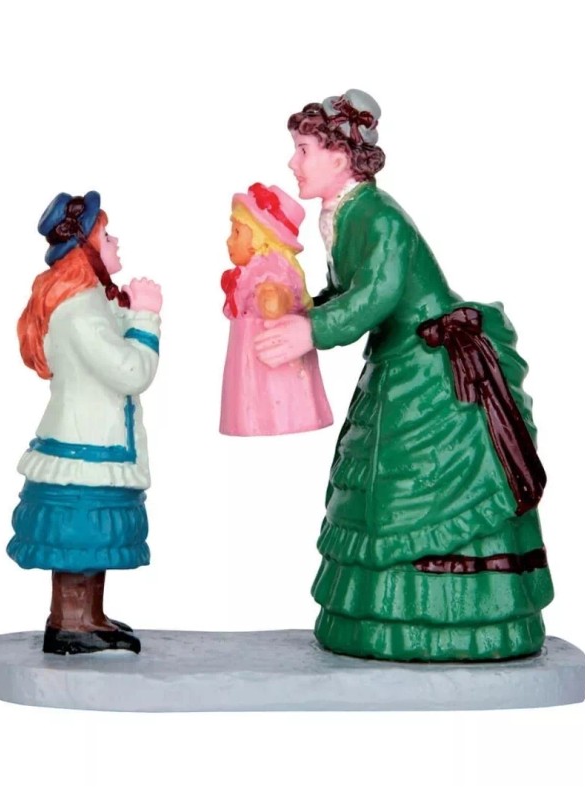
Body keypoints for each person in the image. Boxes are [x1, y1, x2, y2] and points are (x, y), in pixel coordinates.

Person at [255, 90, 553, 661]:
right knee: (381, 482)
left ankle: (460, 621)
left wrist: (311, 330)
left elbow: (377, 294)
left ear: (340, 157)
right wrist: (304, 309)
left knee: (418, 483)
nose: (293, 162)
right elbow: (348, 291)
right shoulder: (343, 212)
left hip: (431, 368)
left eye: (303, 150)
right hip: (397, 358)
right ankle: (378, 618)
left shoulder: (378, 215)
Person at [8, 191, 162, 655]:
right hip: (86, 443)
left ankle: (89, 617)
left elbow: (109, 328)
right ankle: (70, 622)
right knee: (82, 527)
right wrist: (147, 316)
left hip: (94, 438)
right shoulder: (80, 311)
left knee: (95, 532)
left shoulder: (89, 301)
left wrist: (127, 308)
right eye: (106, 236)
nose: (115, 242)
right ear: (86, 250)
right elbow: (131, 371)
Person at [220, 183, 332, 436]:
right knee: (248, 399)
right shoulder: (244, 274)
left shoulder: (271, 268)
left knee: (271, 401)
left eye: (236, 232)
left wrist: (272, 298)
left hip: (274, 353)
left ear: (259, 241)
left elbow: (283, 293)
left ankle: (281, 419)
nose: (229, 240)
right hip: (247, 355)